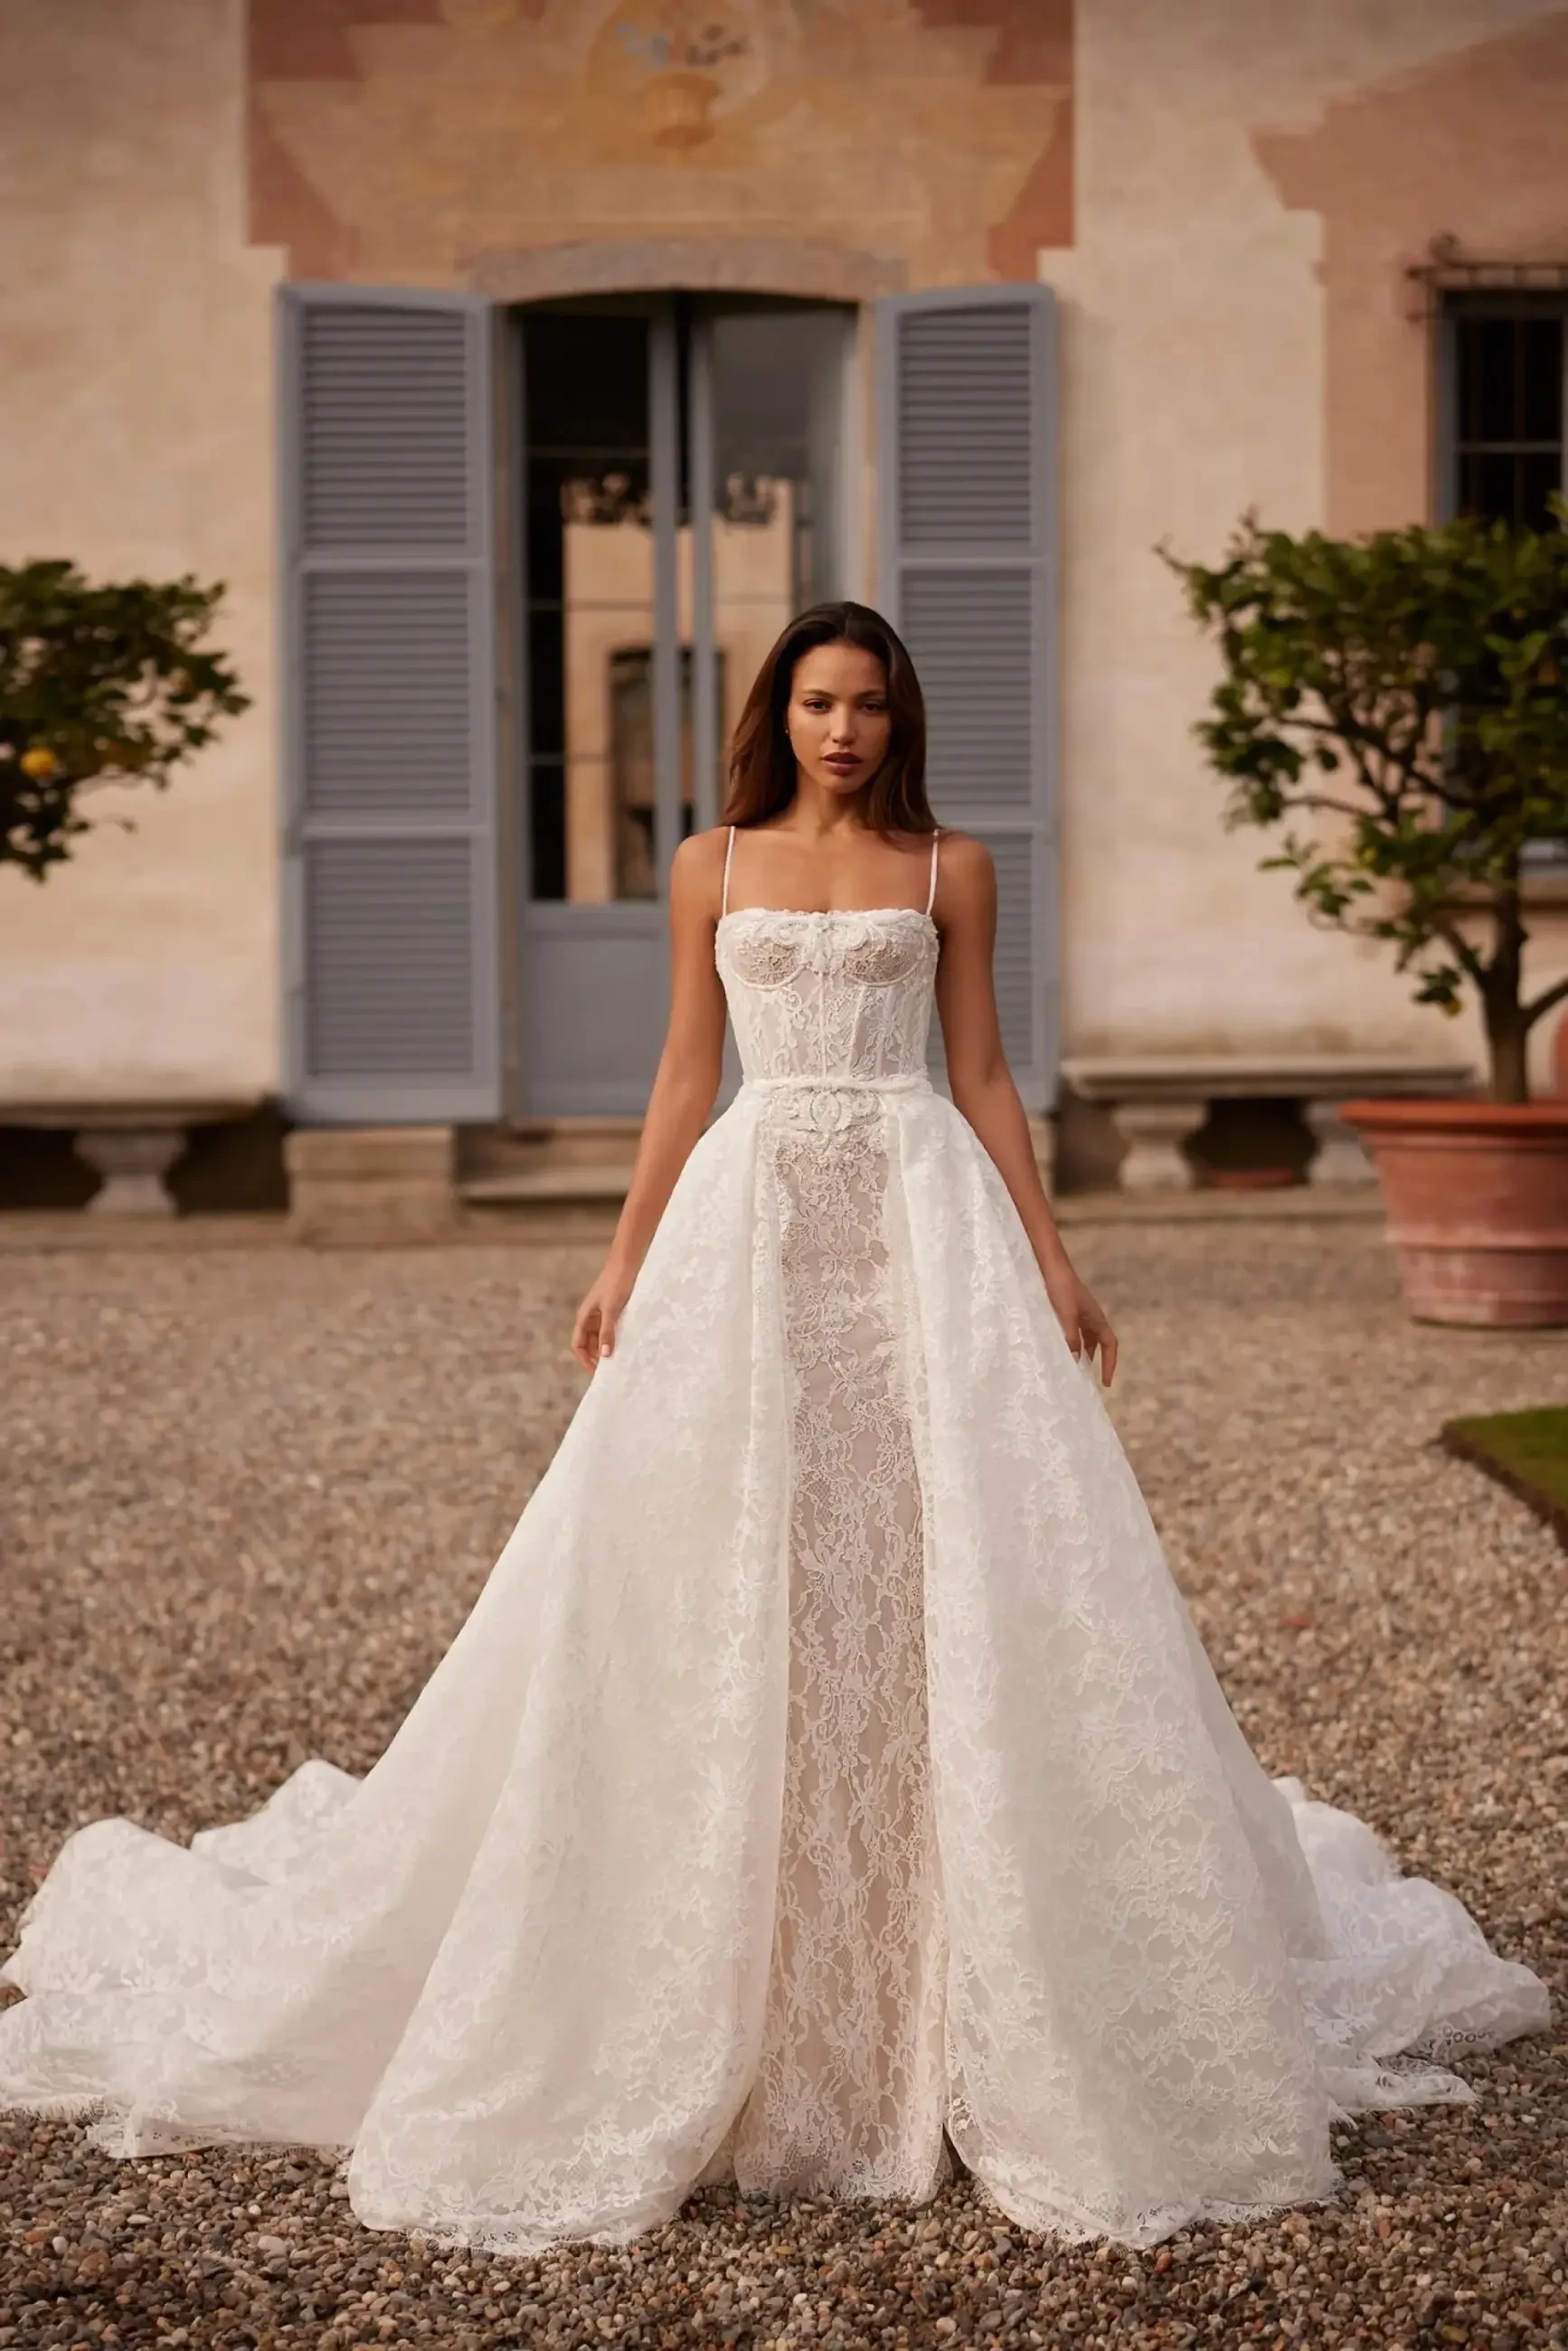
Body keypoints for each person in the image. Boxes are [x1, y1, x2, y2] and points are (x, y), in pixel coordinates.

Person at [0, 602, 1547, 2254]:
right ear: (775, 712)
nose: (842, 731)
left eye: (869, 705)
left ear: (900, 718)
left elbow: (987, 1075)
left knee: (924, 1552)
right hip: (752, 1220)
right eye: (816, 703)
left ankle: (953, 1948)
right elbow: (684, 1075)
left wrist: (1050, 1253)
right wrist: (621, 1254)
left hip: (914, 1218)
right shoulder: (709, 864)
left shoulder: (951, 866)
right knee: (725, 1552)